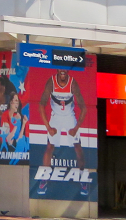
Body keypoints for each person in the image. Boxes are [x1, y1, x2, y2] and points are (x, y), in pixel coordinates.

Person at [37, 68, 88, 197]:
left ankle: (83, 179)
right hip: (56, 117)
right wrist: (48, 127)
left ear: (68, 71)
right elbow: (41, 105)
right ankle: (44, 179)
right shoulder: (51, 82)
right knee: (50, 147)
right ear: (58, 70)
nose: (63, 71)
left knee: (78, 147)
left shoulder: (73, 83)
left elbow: (84, 108)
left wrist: (76, 128)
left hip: (70, 117)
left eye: (65, 69)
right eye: (61, 69)